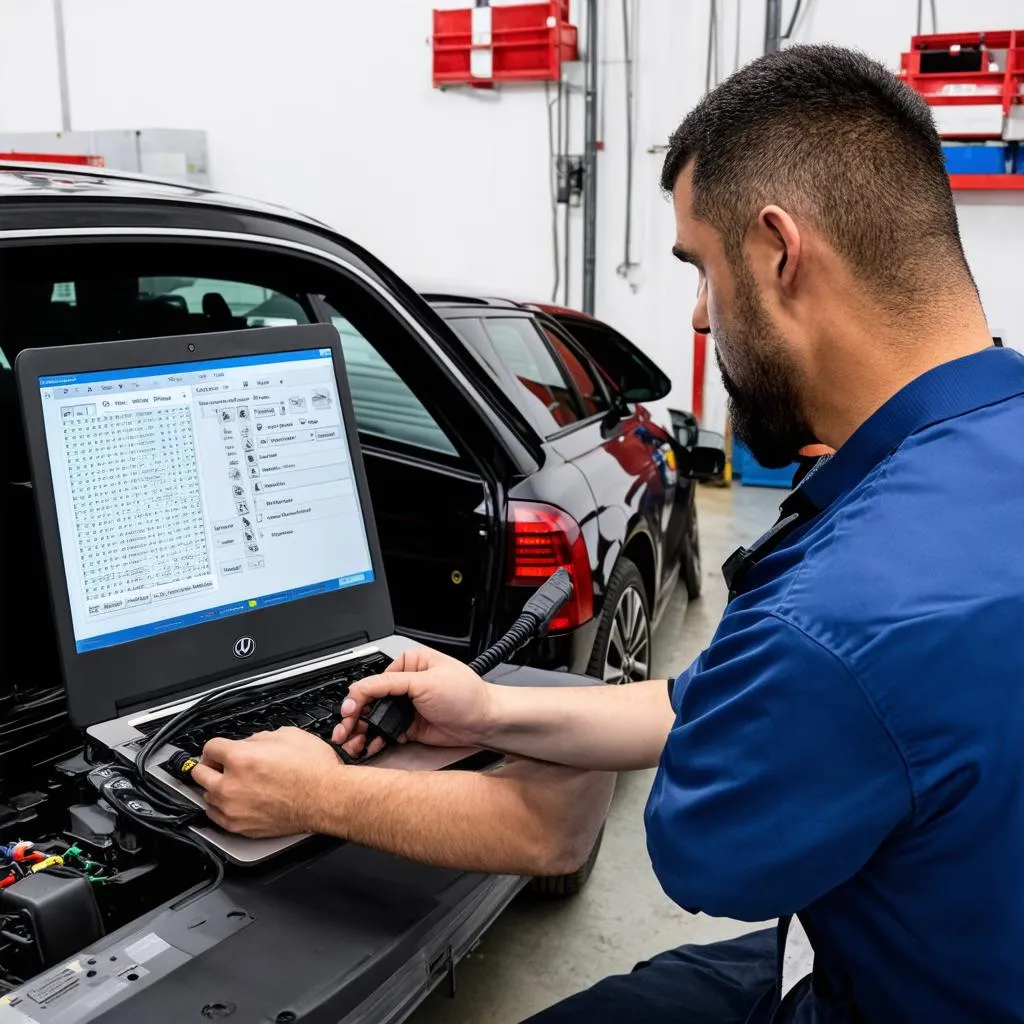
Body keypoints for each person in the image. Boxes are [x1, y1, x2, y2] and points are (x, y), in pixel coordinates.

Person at [192, 44, 1024, 1022]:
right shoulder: (973, 458)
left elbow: (596, 839)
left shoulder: (839, 612)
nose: (702, 317)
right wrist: (491, 710)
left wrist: (319, 795)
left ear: (777, 253)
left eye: (703, 271)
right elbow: (711, 703)